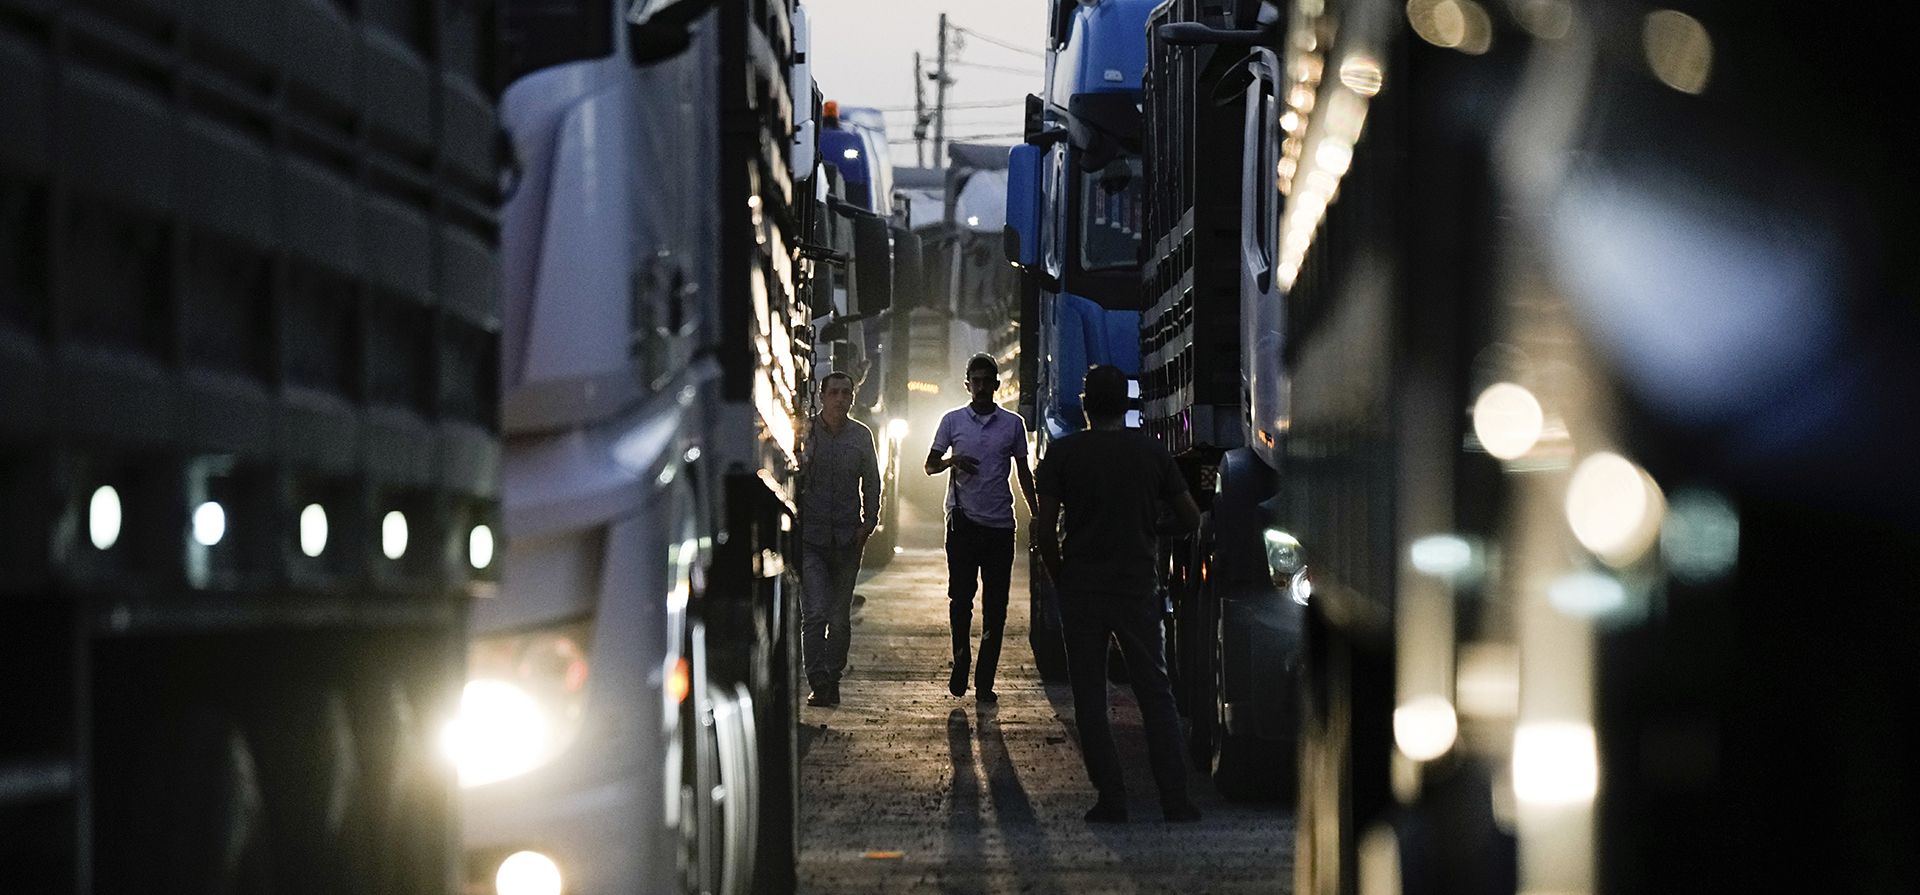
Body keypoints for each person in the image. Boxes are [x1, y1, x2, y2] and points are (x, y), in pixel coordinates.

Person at [1035, 364, 1203, 823]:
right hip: (1136, 589)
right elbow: (1190, 518)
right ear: (1127, 405)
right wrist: (1152, 531)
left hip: (1083, 590)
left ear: (1086, 404)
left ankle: (1111, 798)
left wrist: (1060, 576)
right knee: (1155, 693)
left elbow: (1044, 529)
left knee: (1090, 698)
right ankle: (1174, 799)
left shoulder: (1064, 454)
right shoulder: (1151, 454)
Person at [925, 354, 1036, 702]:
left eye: (988, 380)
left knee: (996, 606)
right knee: (961, 598)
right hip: (962, 522)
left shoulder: (1012, 425)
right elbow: (929, 466)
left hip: (1001, 524)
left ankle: (985, 679)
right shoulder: (952, 421)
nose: (983, 386)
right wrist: (952, 461)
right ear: (967, 384)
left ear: (997, 385)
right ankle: (962, 657)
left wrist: (1037, 515)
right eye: (977, 380)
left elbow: (1023, 472)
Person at [798, 371, 880, 708]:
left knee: (838, 617)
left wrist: (868, 524)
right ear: (821, 396)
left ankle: (833, 676)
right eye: (834, 393)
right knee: (815, 613)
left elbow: (872, 481)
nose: (841, 399)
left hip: (847, 540)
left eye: (847, 393)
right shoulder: (806, 434)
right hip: (812, 540)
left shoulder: (861, 437)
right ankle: (817, 680)